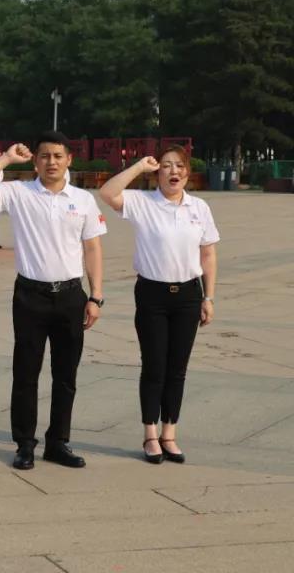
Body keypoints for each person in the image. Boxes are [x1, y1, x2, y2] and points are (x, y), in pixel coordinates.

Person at [0, 132, 105, 471]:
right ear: (35, 161)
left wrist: (96, 296)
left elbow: (92, 248)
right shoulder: (20, 193)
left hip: (71, 295)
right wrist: (5, 158)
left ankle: (58, 442)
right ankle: (25, 444)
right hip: (30, 296)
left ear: (69, 159)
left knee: (66, 374)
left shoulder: (83, 200)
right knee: (26, 373)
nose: (51, 162)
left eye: (58, 156)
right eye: (45, 156)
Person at [99, 147, 218, 464]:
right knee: (154, 366)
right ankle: (150, 434)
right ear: (157, 173)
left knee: (177, 369)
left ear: (187, 172)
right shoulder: (142, 203)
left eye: (179, 166)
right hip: (152, 294)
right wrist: (139, 166)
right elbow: (107, 193)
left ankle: (169, 434)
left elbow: (208, 254)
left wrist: (208, 297)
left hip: (189, 296)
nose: (173, 171)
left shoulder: (199, 207)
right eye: (166, 166)